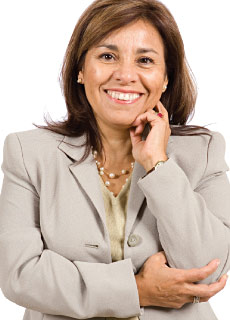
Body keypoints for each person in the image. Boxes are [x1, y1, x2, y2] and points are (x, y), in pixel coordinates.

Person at [0, 0, 229, 319]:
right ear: (80, 70)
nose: (125, 75)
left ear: (165, 78)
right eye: (107, 56)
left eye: (145, 60)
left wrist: (158, 164)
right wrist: (138, 289)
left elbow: (206, 272)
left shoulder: (203, 151)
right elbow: (19, 275)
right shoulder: (28, 153)